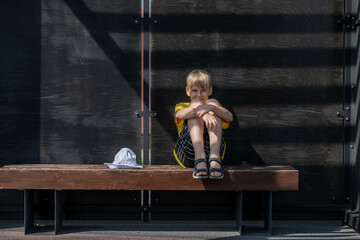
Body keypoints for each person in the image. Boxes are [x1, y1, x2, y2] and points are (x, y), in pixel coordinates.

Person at [173, 70, 233, 179]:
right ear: (188, 91)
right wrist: (202, 114)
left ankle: (215, 158)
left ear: (210, 90)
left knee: (213, 103)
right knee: (195, 104)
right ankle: (199, 158)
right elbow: (179, 115)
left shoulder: (214, 107)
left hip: (212, 155)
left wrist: (212, 109)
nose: (199, 95)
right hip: (188, 153)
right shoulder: (183, 105)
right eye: (195, 90)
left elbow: (229, 117)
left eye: (204, 90)